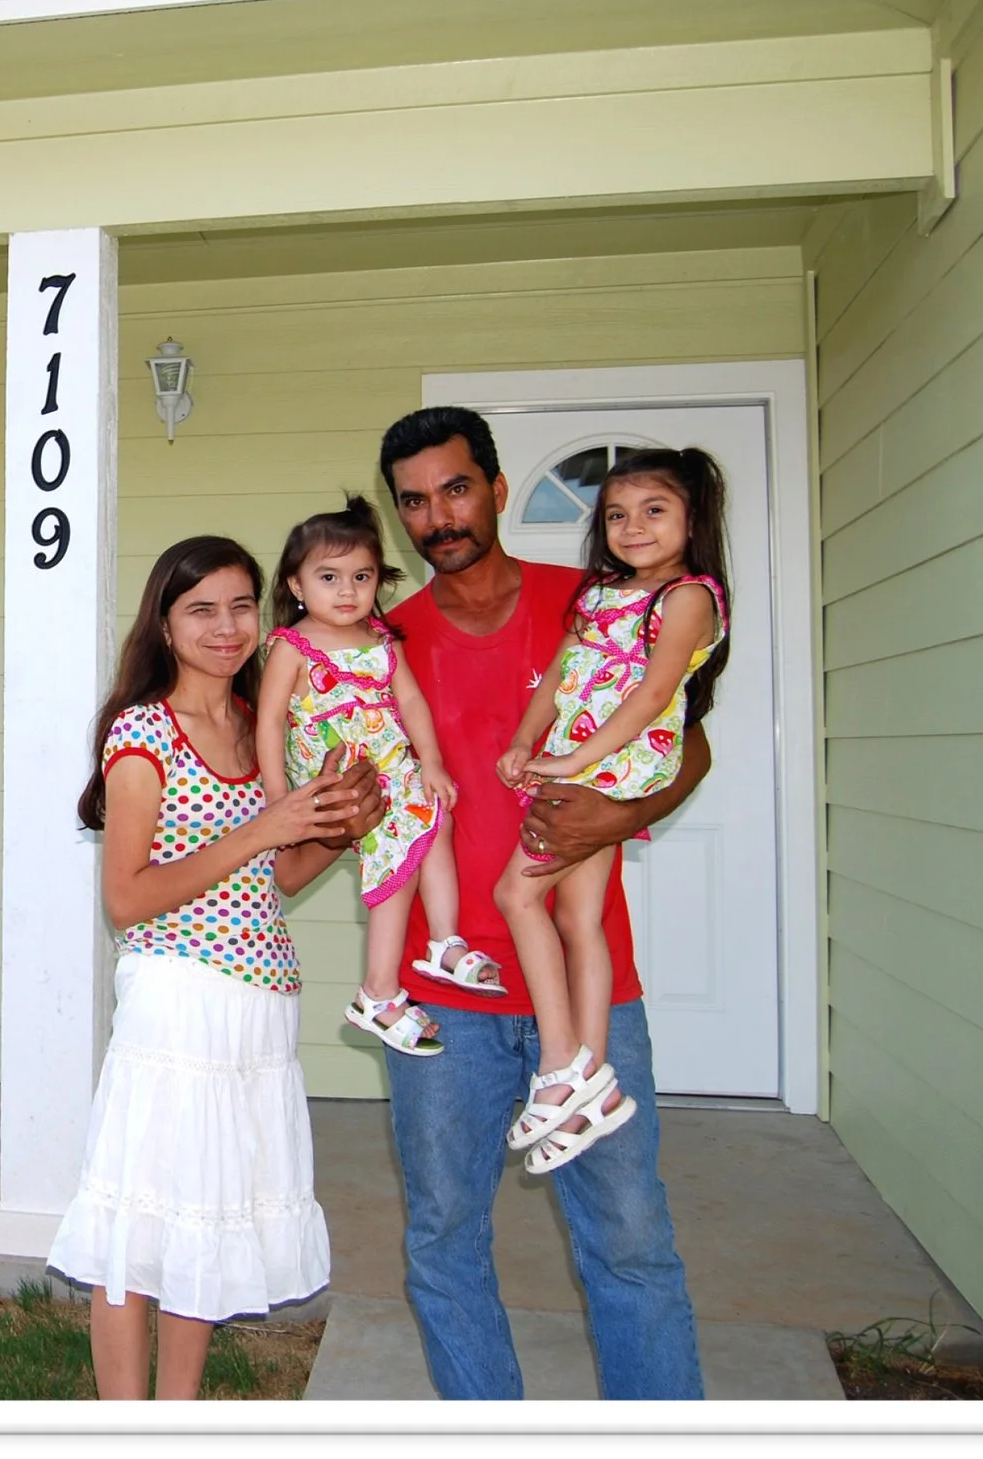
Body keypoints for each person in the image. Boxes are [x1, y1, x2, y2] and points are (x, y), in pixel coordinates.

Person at [375, 406, 708, 1400]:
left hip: (589, 984)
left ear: (496, 487)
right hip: (444, 999)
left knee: (631, 1242)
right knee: (443, 1242)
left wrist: (620, 816)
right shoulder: (386, 639)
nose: (438, 516)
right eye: (413, 501)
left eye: (455, 489)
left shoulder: (595, 599)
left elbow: (687, 741)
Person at [45, 534, 386, 1400]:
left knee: (204, 1218)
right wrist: (265, 828)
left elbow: (278, 875)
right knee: (136, 1224)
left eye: (241, 607)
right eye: (201, 610)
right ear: (164, 625)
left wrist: (343, 828)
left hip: (258, 1006)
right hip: (177, 1001)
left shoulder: (257, 724)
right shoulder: (143, 733)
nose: (226, 627)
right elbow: (128, 898)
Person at [495, 448, 731, 1175]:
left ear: (693, 519)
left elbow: (655, 693)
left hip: (614, 765)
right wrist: (526, 739)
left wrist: (575, 760)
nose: (633, 527)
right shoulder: (599, 595)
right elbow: (559, 677)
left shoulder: (688, 597)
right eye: (618, 515)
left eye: (654, 511)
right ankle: (590, 1085)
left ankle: (560, 1064)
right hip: (579, 753)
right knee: (577, 916)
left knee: (516, 894)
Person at [255, 497, 505, 1061]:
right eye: (329, 577)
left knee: (435, 820)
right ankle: (378, 991)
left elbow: (411, 702)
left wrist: (431, 762)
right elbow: (269, 722)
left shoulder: (380, 640)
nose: (347, 590)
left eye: (361, 577)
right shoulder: (293, 646)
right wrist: (277, 796)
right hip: (337, 773)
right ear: (297, 585)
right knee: (397, 845)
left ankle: (444, 942)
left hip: (391, 766)